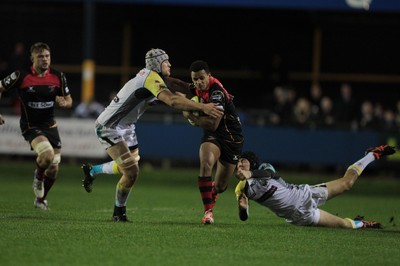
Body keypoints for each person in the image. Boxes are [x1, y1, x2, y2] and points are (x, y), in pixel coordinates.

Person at [81, 49, 224, 222]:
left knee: (126, 167)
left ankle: (93, 171)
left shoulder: (152, 77)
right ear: (157, 64)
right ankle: (118, 213)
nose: (169, 65)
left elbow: (176, 89)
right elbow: (172, 100)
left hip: (126, 127)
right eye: (166, 62)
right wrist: (203, 107)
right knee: (132, 171)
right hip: (109, 126)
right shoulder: (150, 78)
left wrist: (195, 97)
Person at [234, 144, 396, 229]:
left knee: (347, 183)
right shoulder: (241, 188)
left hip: (305, 195)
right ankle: (362, 223)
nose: (239, 165)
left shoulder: (264, 168)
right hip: (300, 217)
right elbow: (244, 217)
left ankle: (372, 154)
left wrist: (250, 174)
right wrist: (242, 209)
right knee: (346, 225)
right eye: (238, 163)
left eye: (243, 162)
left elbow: (269, 175)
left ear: (252, 163)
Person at [0, 42, 73, 210]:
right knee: (47, 156)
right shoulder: (21, 75)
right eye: (40, 56)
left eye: (47, 56)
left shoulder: (58, 76)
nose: (45, 59)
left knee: (54, 169)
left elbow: (69, 99)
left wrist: (65, 103)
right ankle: (38, 178)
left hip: (50, 125)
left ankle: (40, 200)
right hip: (31, 126)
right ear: (32, 58)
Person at [181, 60, 244, 225]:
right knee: (206, 163)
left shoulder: (217, 93)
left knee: (221, 186)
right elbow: (179, 84)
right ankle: (208, 212)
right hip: (213, 135)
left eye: (201, 78)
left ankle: (213, 191)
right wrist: (162, 78)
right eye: (195, 79)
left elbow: (213, 123)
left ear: (209, 76)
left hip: (232, 137)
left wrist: (191, 117)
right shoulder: (197, 86)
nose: (198, 83)